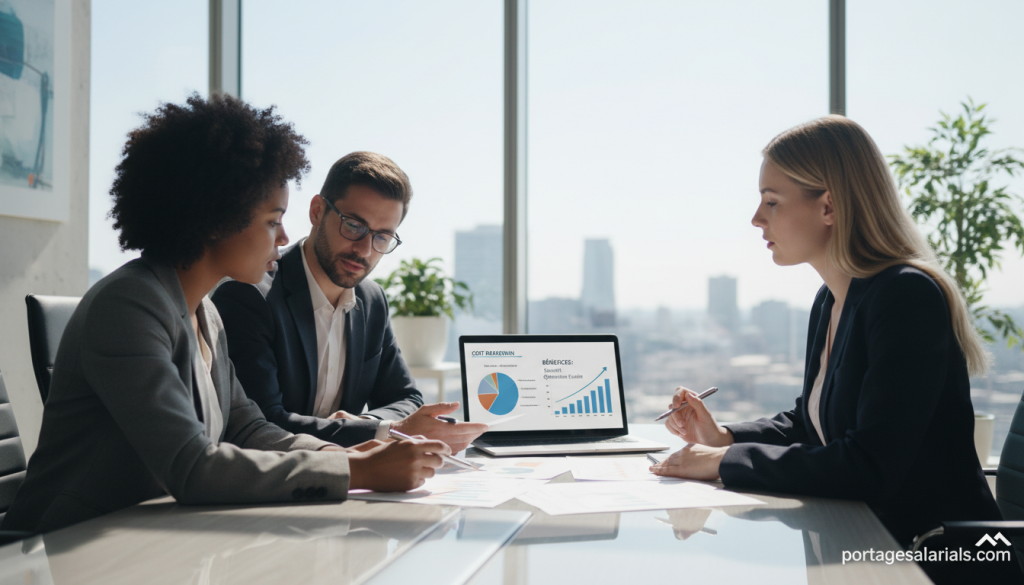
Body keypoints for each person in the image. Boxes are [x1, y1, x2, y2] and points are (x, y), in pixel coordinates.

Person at [2, 94, 449, 534]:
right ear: (219, 218)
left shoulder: (204, 316)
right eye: (273, 220)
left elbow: (249, 428)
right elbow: (192, 467)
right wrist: (362, 474)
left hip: (146, 537)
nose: (285, 236)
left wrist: (358, 456)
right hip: (61, 548)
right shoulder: (130, 306)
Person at [650, 116, 1022, 582]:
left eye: (771, 201)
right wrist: (724, 436)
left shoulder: (907, 297)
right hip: (866, 548)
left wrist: (724, 462)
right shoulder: (832, 299)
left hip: (935, 560)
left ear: (829, 206)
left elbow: (869, 466)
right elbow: (812, 425)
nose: (756, 218)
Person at [211, 152, 487, 451]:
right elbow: (262, 426)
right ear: (317, 211)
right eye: (354, 226)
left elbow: (406, 399)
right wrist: (385, 430)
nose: (366, 250)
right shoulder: (250, 295)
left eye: (382, 237)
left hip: (353, 482)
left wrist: (366, 423)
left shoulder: (371, 300)